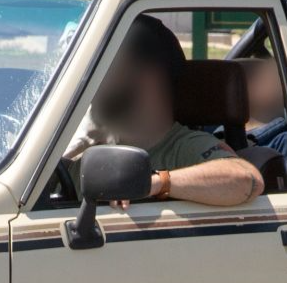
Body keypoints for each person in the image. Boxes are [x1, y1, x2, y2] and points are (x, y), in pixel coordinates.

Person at [77, 16, 265, 207]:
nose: (92, 80)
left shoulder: (185, 146)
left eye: (106, 66)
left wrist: (157, 183)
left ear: (148, 77)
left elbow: (247, 180)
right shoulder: (91, 155)